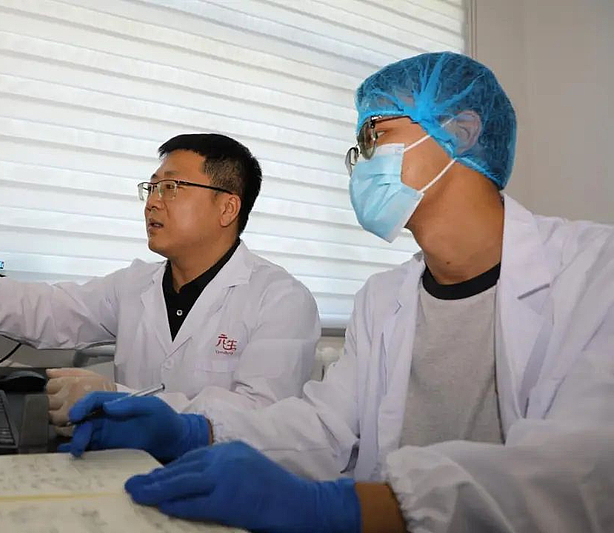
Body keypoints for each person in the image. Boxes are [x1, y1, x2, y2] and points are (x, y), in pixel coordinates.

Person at [60, 52, 614, 532]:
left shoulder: (595, 273)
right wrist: (192, 430)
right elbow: (326, 428)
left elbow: (580, 474)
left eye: (375, 135)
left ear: (461, 131)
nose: (361, 161)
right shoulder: (384, 297)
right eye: (358, 146)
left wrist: (335, 509)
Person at [0, 133, 320, 434]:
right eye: (151, 187)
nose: (152, 202)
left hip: (222, 490)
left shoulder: (281, 300)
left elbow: (259, 419)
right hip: (127, 468)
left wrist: (117, 400)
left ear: (227, 207)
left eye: (172, 187)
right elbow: (46, 308)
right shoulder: (136, 284)